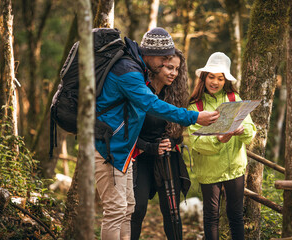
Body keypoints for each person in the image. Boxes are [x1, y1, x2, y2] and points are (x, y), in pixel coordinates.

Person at [94, 27, 219, 240]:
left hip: (122, 152)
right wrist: (194, 117)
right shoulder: (129, 72)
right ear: (149, 53)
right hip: (109, 149)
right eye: (163, 59)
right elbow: (152, 105)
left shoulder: (137, 69)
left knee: (128, 209)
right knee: (116, 211)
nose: (164, 64)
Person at [187, 52, 256, 240]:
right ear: (204, 77)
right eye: (211, 77)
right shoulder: (195, 106)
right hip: (209, 170)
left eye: (220, 78)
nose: (215, 82)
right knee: (211, 217)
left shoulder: (234, 98)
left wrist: (243, 131)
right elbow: (197, 142)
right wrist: (219, 139)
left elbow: (251, 130)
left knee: (236, 216)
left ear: (226, 80)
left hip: (234, 168)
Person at [131, 48, 189, 240]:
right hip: (141, 156)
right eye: (169, 67)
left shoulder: (175, 93)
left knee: (173, 213)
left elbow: (179, 132)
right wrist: (149, 147)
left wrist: (171, 141)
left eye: (177, 69)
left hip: (167, 157)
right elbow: (127, 131)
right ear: (158, 66)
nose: (174, 73)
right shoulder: (141, 90)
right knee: (137, 210)